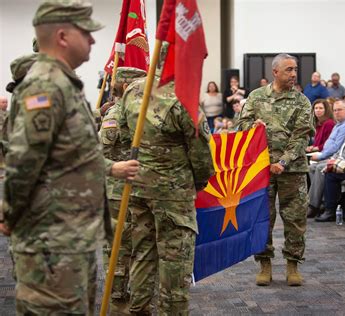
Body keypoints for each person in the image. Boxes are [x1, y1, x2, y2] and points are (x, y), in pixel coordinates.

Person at [0, 1, 140, 314]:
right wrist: (9, 214)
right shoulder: (44, 87)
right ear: (63, 36)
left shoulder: (64, 85)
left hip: (72, 237)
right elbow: (23, 163)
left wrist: (112, 168)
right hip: (51, 242)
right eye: (86, 33)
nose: (92, 40)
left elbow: (72, 157)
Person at [119, 68, 214, 313]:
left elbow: (124, 133)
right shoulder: (182, 94)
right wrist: (198, 183)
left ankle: (138, 309)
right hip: (173, 193)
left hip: (139, 186)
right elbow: (201, 151)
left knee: (142, 253)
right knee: (175, 259)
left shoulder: (133, 89)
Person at [237, 53, 312, 287]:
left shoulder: (302, 101)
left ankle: (292, 264)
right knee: (262, 218)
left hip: (292, 170)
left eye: (295, 69)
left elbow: (301, 136)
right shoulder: (256, 97)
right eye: (289, 69)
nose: (293, 74)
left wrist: (284, 161)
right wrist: (252, 125)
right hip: (261, 169)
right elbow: (241, 125)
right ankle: (264, 264)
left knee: (295, 218)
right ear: (275, 72)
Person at [99, 67, 146, 313]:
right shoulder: (118, 114)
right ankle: (118, 296)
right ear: (127, 87)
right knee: (119, 245)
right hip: (119, 190)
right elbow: (105, 151)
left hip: (137, 189)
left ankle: (137, 295)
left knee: (138, 245)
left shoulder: (138, 112)